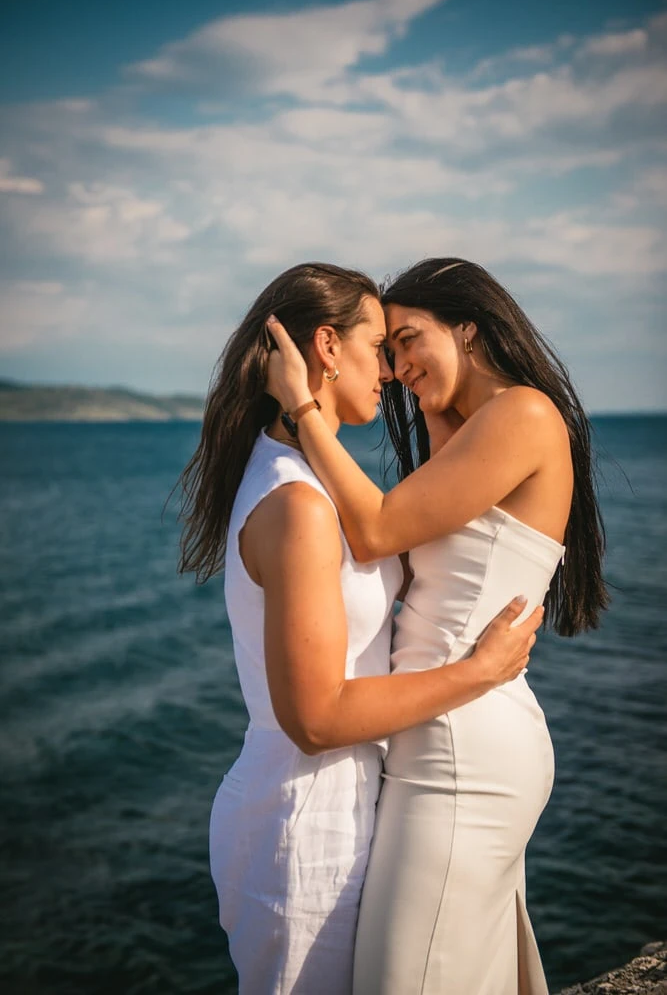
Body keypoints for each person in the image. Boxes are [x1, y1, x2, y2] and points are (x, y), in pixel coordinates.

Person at [176, 262, 545, 995]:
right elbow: (315, 719)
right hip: (303, 817)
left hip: (340, 801)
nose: (388, 372)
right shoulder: (299, 506)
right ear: (326, 346)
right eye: (379, 346)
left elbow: (401, 525)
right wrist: (478, 672)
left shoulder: (306, 478)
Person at [265, 257, 609, 995]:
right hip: (447, 736)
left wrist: (302, 407)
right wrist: (432, 392)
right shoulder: (475, 426)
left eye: (408, 340)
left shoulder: (522, 414)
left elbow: (376, 529)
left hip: (463, 751)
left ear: (469, 327)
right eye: (387, 351)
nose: (396, 368)